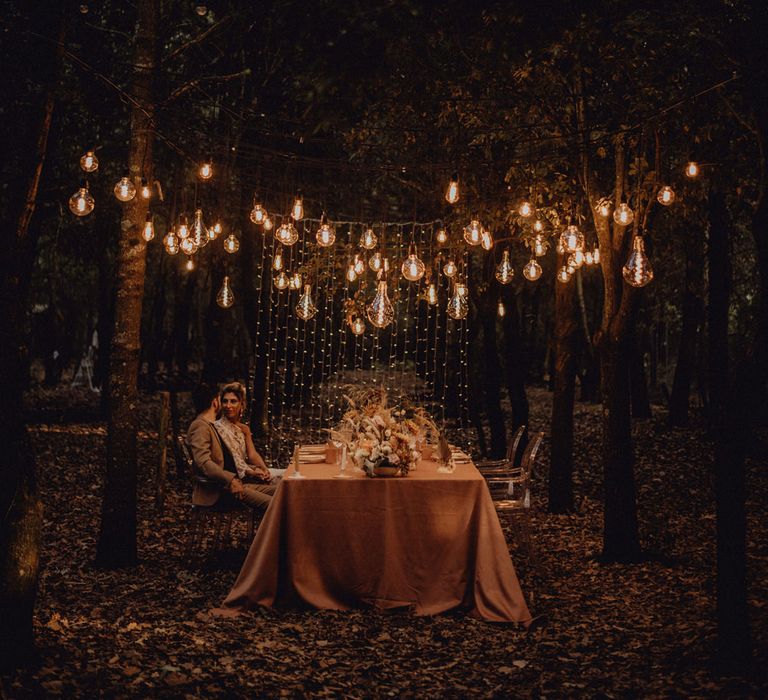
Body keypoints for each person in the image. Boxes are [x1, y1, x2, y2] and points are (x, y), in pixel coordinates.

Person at [187, 383, 275, 513]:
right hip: (218, 492)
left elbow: (231, 460)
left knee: (285, 490)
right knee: (277, 504)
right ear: (216, 402)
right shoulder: (201, 426)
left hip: (233, 484)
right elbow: (203, 462)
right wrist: (231, 480)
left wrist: (255, 469)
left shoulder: (209, 426)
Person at [214, 382, 286, 483]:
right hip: (236, 477)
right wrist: (252, 471)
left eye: (233, 401)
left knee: (287, 474)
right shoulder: (218, 427)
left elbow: (252, 454)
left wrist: (264, 469)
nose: (228, 405)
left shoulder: (244, 429)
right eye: (225, 401)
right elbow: (233, 459)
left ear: (241, 404)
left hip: (250, 470)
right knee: (282, 481)